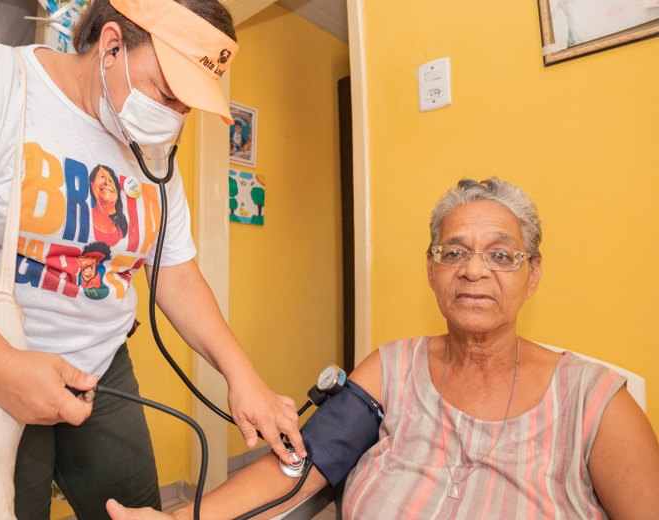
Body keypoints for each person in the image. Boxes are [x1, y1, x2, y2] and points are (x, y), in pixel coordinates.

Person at [0, 0, 304, 518]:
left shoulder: (155, 160)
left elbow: (174, 271)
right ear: (111, 46)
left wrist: (243, 376)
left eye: (187, 106)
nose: (173, 119)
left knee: (137, 510)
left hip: (103, 368)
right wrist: (2, 370)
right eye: (168, 94)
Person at [107, 178, 659, 519]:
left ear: (532, 275)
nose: (473, 270)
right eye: (454, 252)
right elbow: (304, 463)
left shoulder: (596, 401)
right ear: (431, 268)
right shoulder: (392, 367)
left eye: (501, 255)